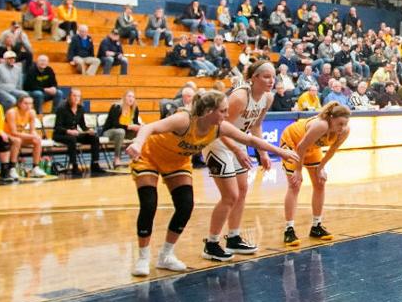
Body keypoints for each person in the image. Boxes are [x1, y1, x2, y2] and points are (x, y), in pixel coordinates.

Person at [125, 90, 295, 275]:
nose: (226, 115)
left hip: (177, 162)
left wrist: (281, 152)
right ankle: (143, 257)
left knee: (185, 206)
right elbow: (149, 127)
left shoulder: (220, 127)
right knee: (149, 204)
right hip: (149, 156)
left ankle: (166, 255)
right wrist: (137, 144)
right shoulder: (184, 119)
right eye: (222, 111)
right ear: (208, 111)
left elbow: (249, 139)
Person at [201, 61, 276, 261]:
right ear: (253, 78)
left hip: (239, 141)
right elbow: (219, 126)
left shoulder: (267, 98)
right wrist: (236, 148)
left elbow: (257, 126)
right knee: (230, 195)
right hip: (218, 141)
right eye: (266, 76)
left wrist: (263, 153)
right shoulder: (240, 97)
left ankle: (233, 237)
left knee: (242, 190)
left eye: (273, 76)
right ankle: (211, 243)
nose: (271, 80)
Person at [279, 102, 351, 246]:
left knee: (320, 183)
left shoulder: (344, 131)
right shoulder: (321, 125)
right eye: (339, 124)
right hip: (293, 142)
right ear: (331, 118)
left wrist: (321, 168)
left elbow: (332, 150)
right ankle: (289, 229)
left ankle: (316, 226)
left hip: (311, 147)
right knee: (295, 185)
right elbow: (301, 147)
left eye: (345, 124)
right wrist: (298, 171)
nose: (342, 128)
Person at [54, 88, 104, 175]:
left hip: (75, 134)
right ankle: (74, 166)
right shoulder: (62, 108)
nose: (77, 98)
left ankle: (95, 164)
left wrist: (88, 130)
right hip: (61, 134)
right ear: (69, 97)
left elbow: (83, 126)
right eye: (74, 95)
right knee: (72, 139)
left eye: (78, 96)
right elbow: (57, 127)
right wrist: (68, 131)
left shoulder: (80, 109)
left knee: (94, 138)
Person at [5, 95, 47, 178]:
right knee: (17, 140)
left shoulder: (32, 112)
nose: (28, 106)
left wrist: (36, 135)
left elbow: (32, 131)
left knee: (37, 141)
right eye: (26, 103)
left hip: (19, 135)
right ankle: (12, 168)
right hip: (6, 136)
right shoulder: (12, 112)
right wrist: (32, 136)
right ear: (19, 104)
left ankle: (35, 167)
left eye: (30, 103)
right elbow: (13, 132)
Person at [103, 90, 142, 168]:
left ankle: (135, 157)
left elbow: (135, 122)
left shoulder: (135, 109)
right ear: (124, 98)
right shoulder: (116, 107)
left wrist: (140, 126)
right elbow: (115, 124)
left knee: (142, 131)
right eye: (129, 96)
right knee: (121, 131)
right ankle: (117, 158)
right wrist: (129, 127)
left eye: (133, 97)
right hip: (110, 131)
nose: (131, 98)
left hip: (125, 132)